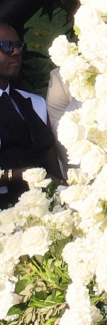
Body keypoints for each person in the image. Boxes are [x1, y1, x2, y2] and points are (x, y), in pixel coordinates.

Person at [0, 21, 63, 209]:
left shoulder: (35, 103)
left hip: (45, 205)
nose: (16, 52)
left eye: (18, 46)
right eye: (6, 46)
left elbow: (50, 157)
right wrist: (20, 174)